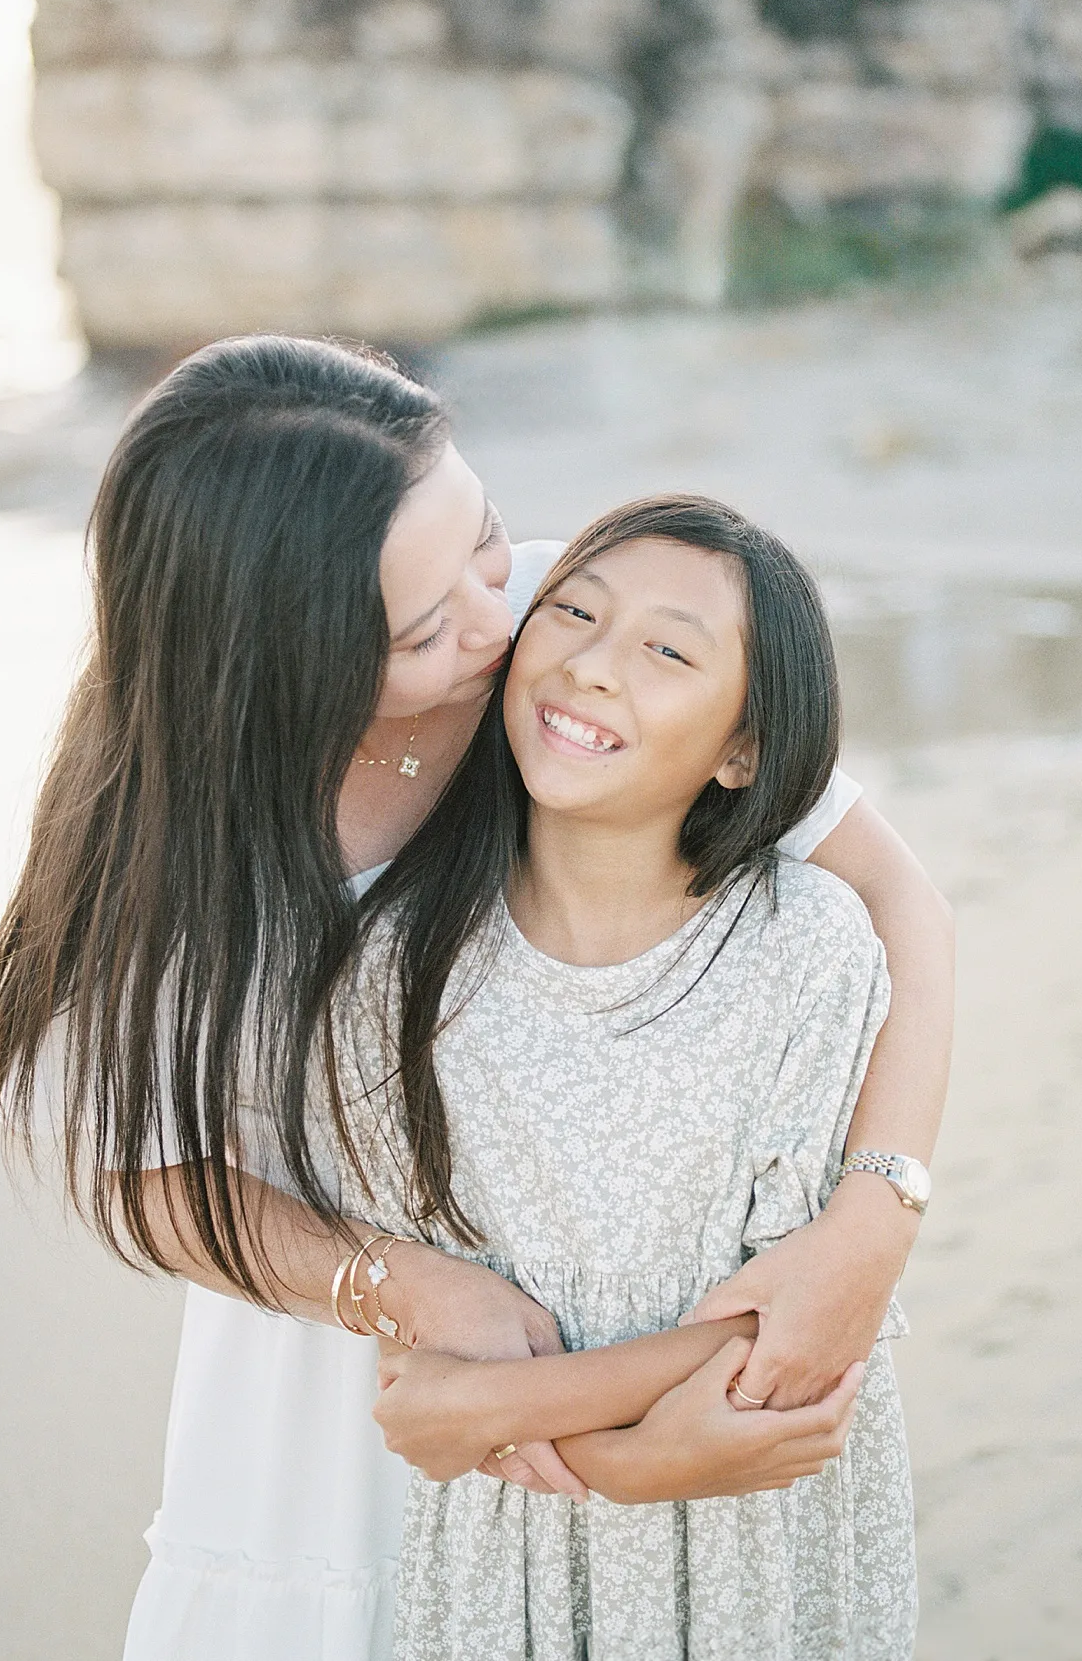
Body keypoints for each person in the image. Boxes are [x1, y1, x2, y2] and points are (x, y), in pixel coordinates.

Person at [0, 337, 951, 1659]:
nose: (496, 625)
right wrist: (396, 1289)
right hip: (330, 1395)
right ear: (281, 664)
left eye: (488, 546)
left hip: (603, 1342)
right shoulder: (165, 849)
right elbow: (146, 1171)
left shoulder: (577, 648)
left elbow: (905, 905)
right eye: (426, 630)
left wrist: (874, 1212)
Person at [328, 494, 914, 1657]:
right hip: (511, 1543)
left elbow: (796, 1336)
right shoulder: (395, 969)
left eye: (668, 650)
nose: (594, 666)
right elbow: (418, 1359)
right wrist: (498, 1417)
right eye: (574, 613)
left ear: (744, 745)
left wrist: (496, 1410)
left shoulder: (807, 945)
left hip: (754, 1515)